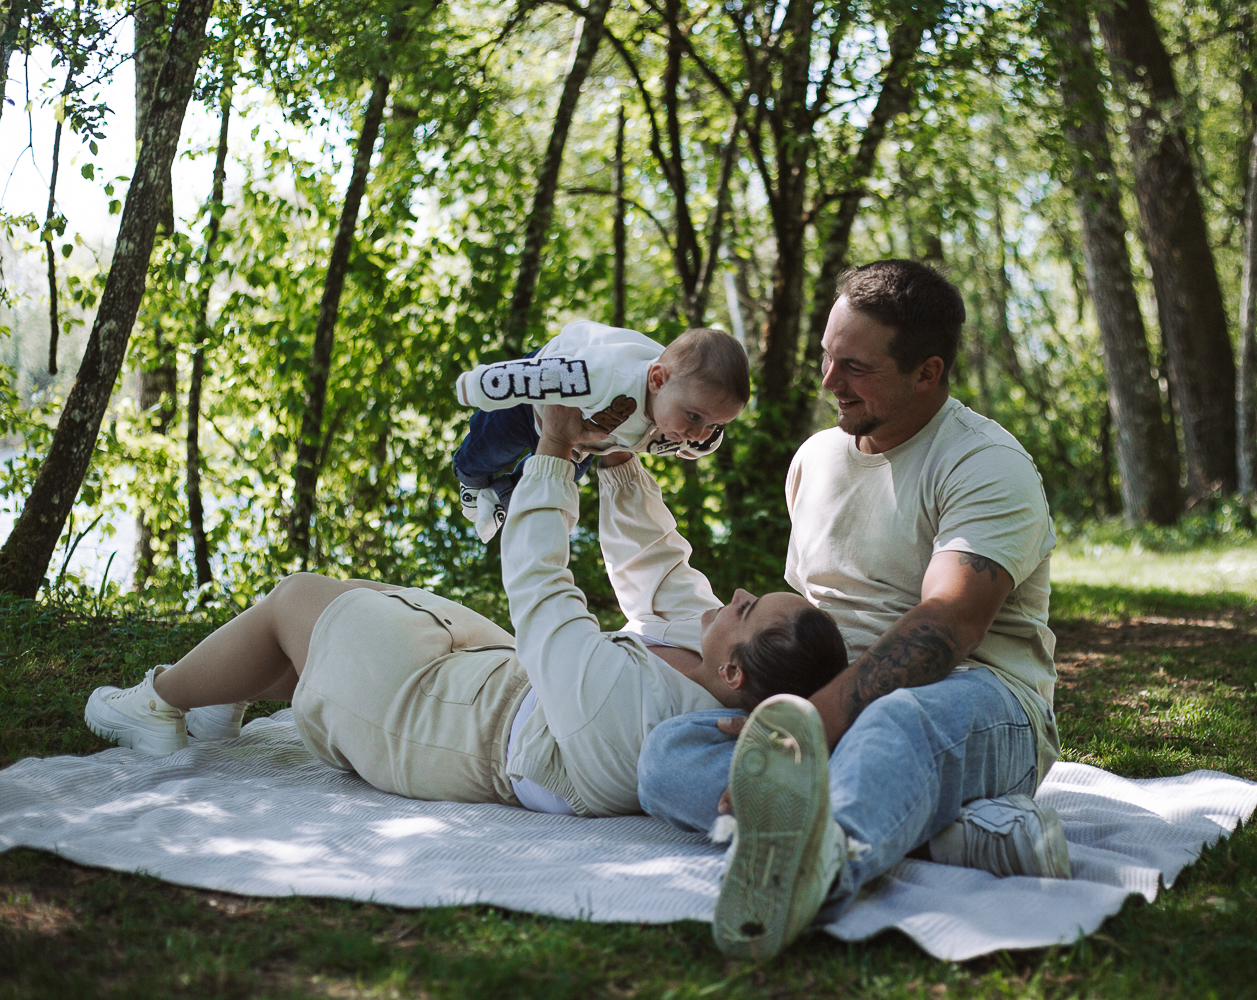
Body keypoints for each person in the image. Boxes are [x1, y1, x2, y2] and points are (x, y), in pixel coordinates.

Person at [84, 406, 846, 819]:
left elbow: (542, 588)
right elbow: (657, 568)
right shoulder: (708, 669)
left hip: (447, 733)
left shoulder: (634, 708)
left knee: (298, 599)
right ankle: (220, 697)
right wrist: (618, 459)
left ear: (735, 671)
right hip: (497, 679)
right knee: (347, 606)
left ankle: (156, 703)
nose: (732, 596)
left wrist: (553, 454)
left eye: (746, 608)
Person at [635, 260, 1069, 957]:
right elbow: (807, 617)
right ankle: (946, 834)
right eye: (827, 357)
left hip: (977, 699)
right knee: (671, 752)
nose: (829, 381)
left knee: (895, 723)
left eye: (856, 368)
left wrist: (819, 719)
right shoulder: (814, 460)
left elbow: (949, 623)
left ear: (927, 373)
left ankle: (807, 874)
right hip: (834, 699)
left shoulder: (985, 464)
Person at [454, 321, 749, 540]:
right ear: (658, 380)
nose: (698, 433)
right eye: (694, 417)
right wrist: (477, 386)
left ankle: (501, 497)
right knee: (491, 444)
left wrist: (702, 439)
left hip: (582, 443)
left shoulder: (688, 426)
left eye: (715, 424)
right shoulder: (608, 376)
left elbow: (706, 441)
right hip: (537, 398)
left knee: (560, 481)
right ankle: (470, 476)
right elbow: (531, 378)